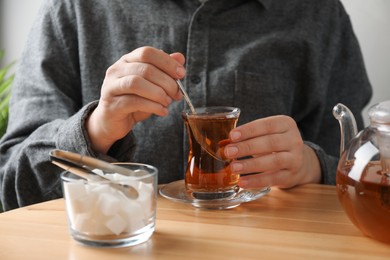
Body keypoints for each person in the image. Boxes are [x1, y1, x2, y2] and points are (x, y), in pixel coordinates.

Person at [0, 0, 372, 211]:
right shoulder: (74, 10)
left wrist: (312, 166)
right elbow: (12, 187)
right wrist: (96, 129)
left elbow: (360, 171)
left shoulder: (317, 14)